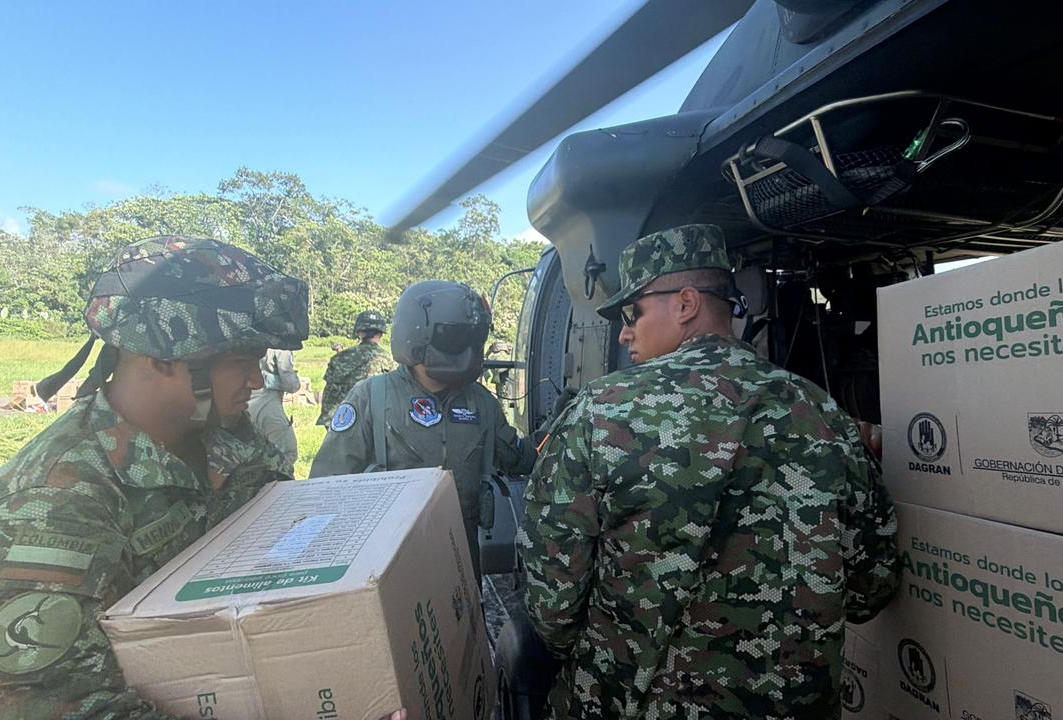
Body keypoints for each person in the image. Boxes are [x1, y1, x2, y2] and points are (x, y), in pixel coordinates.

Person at [517, 224, 901, 720]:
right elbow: (873, 586)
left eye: (633, 313)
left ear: (686, 304)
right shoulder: (822, 413)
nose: (625, 332)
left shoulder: (601, 411)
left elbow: (552, 600)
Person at [0, 237, 310, 718]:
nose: (258, 381)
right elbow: (42, 703)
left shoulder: (227, 440)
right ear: (162, 359)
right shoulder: (53, 505)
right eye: (241, 362)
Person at [310, 281, 535, 579]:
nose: (467, 351)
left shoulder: (480, 402)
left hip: (461, 557)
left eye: (473, 339)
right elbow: (326, 489)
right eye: (455, 338)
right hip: (389, 562)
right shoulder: (372, 398)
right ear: (415, 335)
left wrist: (557, 430)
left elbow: (519, 459)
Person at [317, 310, 394, 426]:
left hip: (342, 420)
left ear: (359, 333)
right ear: (381, 334)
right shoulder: (388, 360)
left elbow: (329, 394)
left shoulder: (339, 358)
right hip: (374, 421)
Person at [247, 347, 301, 471]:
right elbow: (289, 381)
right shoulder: (280, 345)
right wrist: (296, 384)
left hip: (247, 398)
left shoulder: (250, 339)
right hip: (267, 399)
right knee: (287, 453)